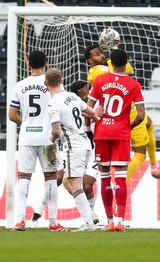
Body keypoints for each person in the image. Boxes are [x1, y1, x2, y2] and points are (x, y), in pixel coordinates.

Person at [8, 50, 69, 232]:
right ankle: (53, 223)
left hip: (27, 137)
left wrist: (26, 123)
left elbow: (12, 115)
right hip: (48, 138)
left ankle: (20, 221)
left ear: (28, 63)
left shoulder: (19, 85)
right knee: (50, 178)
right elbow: (63, 110)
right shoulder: (53, 84)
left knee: (24, 178)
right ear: (46, 63)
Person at [85, 44, 160, 180]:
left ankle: (154, 164)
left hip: (125, 109)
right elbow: (124, 69)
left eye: (102, 52)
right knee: (139, 154)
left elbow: (127, 68)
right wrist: (115, 54)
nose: (102, 55)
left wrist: (115, 48)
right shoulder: (96, 71)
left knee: (150, 124)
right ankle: (121, 183)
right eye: (97, 54)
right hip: (124, 115)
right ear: (90, 61)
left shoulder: (108, 65)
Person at [87, 49, 145, 232]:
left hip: (102, 132)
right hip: (121, 133)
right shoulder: (134, 84)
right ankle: (120, 220)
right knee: (120, 176)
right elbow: (141, 115)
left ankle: (109, 220)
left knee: (104, 176)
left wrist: (93, 120)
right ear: (126, 63)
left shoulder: (99, 80)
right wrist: (128, 126)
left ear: (111, 63)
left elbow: (87, 108)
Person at [45, 68, 102, 232]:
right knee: (66, 182)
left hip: (72, 145)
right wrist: (99, 119)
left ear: (46, 84)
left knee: (75, 184)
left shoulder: (53, 103)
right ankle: (90, 217)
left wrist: (53, 138)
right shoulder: (72, 96)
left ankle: (89, 222)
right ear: (62, 81)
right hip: (85, 144)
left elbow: (56, 129)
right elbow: (91, 112)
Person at [69, 80, 100, 224]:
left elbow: (95, 119)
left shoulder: (96, 105)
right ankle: (90, 216)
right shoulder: (71, 108)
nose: (86, 95)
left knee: (87, 185)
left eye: (87, 92)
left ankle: (91, 217)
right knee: (66, 183)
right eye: (83, 94)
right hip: (74, 149)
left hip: (93, 149)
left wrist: (91, 115)